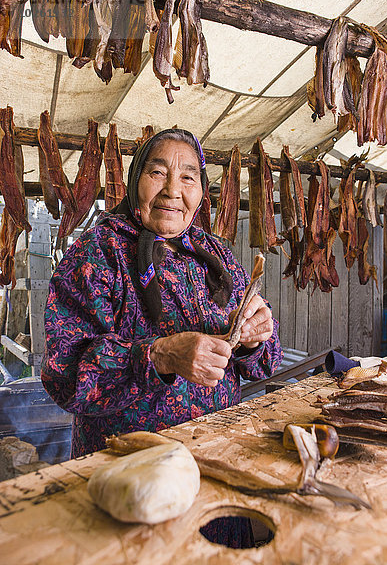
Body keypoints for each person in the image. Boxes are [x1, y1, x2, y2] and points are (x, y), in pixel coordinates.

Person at [42, 128, 283, 548]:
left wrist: (256, 336)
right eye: (158, 172)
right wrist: (159, 356)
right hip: (131, 478)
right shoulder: (97, 254)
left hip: (216, 467)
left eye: (188, 177)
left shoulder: (217, 256)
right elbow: (66, 372)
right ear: (136, 180)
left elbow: (263, 361)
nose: (174, 190)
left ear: (202, 191)